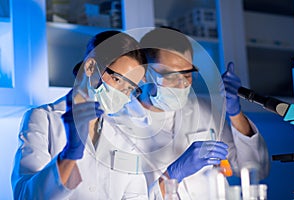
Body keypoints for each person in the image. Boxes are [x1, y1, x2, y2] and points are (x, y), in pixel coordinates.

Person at [11, 30, 150, 199]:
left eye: (130, 88)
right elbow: (24, 195)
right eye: (118, 80)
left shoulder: (125, 133)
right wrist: (69, 154)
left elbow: (136, 196)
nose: (123, 94)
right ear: (91, 67)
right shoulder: (43, 119)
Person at [134, 27, 270, 199]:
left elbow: (256, 168)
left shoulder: (203, 110)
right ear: (144, 74)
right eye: (170, 75)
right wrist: (173, 175)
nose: (182, 84)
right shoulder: (117, 124)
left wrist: (235, 112)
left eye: (187, 74)